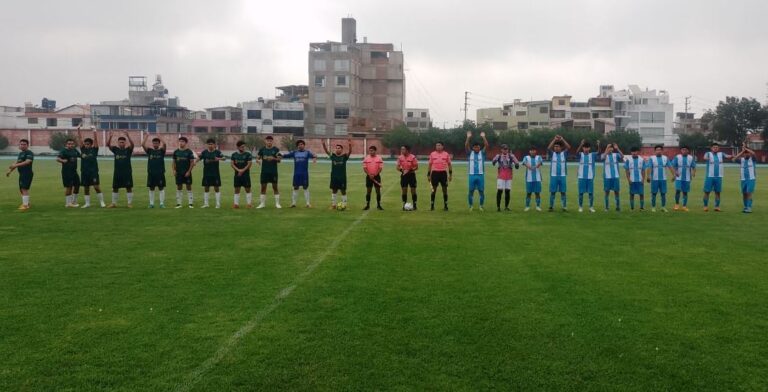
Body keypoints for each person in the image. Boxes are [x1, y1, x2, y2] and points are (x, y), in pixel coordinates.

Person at [282, 140, 317, 208]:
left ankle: (308, 204)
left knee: (305, 187)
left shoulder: (307, 153)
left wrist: (315, 158)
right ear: (297, 146)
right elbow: (287, 155)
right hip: (296, 174)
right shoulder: (295, 153)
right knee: (295, 187)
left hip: (304, 174)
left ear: (304, 145)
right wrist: (281, 155)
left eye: (301, 144)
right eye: (299, 145)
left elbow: (314, 155)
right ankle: (293, 203)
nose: (300, 145)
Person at [77, 126, 106, 208]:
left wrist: (94, 131)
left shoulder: (94, 150)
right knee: (86, 188)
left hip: (93, 172)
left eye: (88, 144)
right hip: (84, 172)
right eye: (85, 144)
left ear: (91, 144)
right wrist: (78, 130)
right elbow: (80, 139)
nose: (86, 145)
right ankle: (87, 203)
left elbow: (96, 140)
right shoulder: (83, 150)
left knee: (96, 187)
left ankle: (102, 202)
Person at [106, 131, 134, 208]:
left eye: (123, 142)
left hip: (127, 172)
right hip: (117, 172)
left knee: (128, 188)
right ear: (118, 143)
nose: (121, 143)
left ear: (125, 143)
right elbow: (107, 145)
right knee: (115, 188)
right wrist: (110, 136)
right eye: (120, 142)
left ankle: (129, 203)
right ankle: (114, 203)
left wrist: (128, 136)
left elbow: (132, 145)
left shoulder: (128, 150)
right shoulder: (115, 149)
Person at [702, 142, 733, 212]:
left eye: (717, 147)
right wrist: (706, 158)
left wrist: (732, 156)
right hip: (709, 176)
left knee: (718, 192)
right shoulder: (708, 153)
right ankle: (705, 206)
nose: (715, 148)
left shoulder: (721, 154)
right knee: (707, 192)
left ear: (718, 148)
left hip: (719, 176)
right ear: (711, 148)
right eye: (714, 147)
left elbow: (727, 156)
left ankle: (717, 206)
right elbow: (704, 157)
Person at [321, 138, 352, 209]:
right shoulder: (333, 156)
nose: (337, 149)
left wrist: (350, 144)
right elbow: (326, 151)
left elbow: (350, 152)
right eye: (337, 148)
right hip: (334, 177)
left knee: (343, 191)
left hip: (342, 177)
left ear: (342, 150)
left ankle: (344, 205)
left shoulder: (344, 157)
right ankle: (333, 205)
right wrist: (323, 144)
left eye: (339, 148)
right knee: (334, 190)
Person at [6, 139, 33, 211]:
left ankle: (25, 206)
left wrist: (15, 165)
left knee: (24, 188)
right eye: (21, 144)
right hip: (22, 174)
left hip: (27, 173)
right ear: (19, 145)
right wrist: (10, 171)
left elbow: (27, 162)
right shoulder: (21, 154)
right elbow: (16, 163)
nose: (22, 145)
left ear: (27, 145)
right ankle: (27, 203)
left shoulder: (29, 153)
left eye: (24, 144)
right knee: (22, 189)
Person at [491, 143, 519, 211]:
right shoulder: (498, 156)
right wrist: (494, 161)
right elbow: (493, 163)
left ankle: (506, 207)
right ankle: (498, 207)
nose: (505, 150)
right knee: (500, 191)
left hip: (509, 176)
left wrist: (516, 164)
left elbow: (517, 165)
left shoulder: (511, 156)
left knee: (507, 191)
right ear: (501, 150)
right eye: (504, 149)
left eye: (506, 149)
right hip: (501, 176)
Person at [646, 145, 674, 212]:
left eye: (660, 150)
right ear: (655, 151)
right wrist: (648, 176)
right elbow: (649, 167)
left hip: (663, 179)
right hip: (654, 179)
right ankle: (653, 207)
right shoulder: (652, 158)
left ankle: (663, 207)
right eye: (657, 150)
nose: (658, 151)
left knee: (663, 193)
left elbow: (670, 166)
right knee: (654, 193)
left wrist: (674, 175)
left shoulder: (665, 158)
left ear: (662, 151)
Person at [465, 131, 489, 211]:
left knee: (481, 191)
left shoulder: (482, 153)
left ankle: (481, 206)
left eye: (478, 147)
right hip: (472, 175)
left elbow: (486, 145)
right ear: (473, 148)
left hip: (480, 175)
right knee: (471, 191)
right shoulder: (470, 153)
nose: (476, 148)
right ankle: (471, 206)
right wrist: (468, 137)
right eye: (475, 147)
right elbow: (466, 145)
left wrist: (483, 137)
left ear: (479, 147)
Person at [256, 135, 282, 209]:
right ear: (265, 141)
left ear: (272, 141)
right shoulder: (262, 149)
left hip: (273, 171)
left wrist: (273, 158)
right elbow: (257, 157)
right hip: (264, 172)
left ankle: (277, 204)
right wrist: (257, 160)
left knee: (275, 187)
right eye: (268, 141)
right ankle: (262, 204)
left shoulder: (276, 149)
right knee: (263, 187)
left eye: (270, 141)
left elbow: (279, 160)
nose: (269, 142)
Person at [547, 135, 571, 211]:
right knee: (552, 192)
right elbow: (548, 148)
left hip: (562, 176)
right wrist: (554, 139)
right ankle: (551, 207)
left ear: (561, 148)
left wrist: (562, 139)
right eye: (555, 147)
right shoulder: (552, 154)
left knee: (563, 192)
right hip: (553, 176)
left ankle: (564, 207)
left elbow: (569, 147)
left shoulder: (564, 154)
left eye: (557, 146)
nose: (556, 148)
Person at [199, 138, 225, 208]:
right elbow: (199, 158)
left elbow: (224, 158)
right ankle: (206, 204)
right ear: (207, 145)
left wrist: (218, 158)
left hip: (215, 173)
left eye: (212, 144)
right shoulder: (204, 152)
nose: (210, 145)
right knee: (206, 188)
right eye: (209, 144)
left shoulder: (218, 152)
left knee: (216, 188)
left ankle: (218, 204)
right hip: (206, 173)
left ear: (214, 145)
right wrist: (195, 161)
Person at [575, 139, 600, 213]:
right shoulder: (581, 154)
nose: (586, 149)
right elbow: (576, 152)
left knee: (590, 193)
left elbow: (598, 152)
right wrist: (580, 144)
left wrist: (598, 144)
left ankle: (591, 207)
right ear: (583, 148)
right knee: (581, 193)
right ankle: (580, 207)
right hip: (581, 177)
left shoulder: (592, 155)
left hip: (590, 177)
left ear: (589, 148)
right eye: (584, 147)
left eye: (587, 147)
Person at [143, 136, 167, 208]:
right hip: (151, 173)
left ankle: (162, 203)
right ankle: (151, 204)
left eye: (157, 143)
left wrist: (160, 137)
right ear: (152, 144)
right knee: (151, 188)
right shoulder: (149, 151)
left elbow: (165, 144)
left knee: (161, 188)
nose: (155, 144)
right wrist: (146, 136)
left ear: (159, 144)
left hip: (160, 173)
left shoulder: (161, 151)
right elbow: (143, 144)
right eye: (154, 143)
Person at [56, 138, 81, 208]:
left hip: (74, 171)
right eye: (69, 144)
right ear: (66, 144)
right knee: (69, 187)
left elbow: (80, 156)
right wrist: (62, 160)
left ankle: (74, 201)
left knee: (77, 185)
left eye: (72, 144)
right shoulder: (63, 151)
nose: (71, 145)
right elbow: (57, 158)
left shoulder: (75, 150)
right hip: (67, 172)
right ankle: (68, 203)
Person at [427, 141, 452, 211]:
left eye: (439, 145)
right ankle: (432, 206)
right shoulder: (432, 154)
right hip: (434, 173)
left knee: (445, 190)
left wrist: (450, 174)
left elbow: (449, 164)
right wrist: (428, 175)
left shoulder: (446, 154)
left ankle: (446, 206)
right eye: (437, 145)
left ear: (442, 146)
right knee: (433, 190)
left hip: (443, 173)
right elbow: (430, 164)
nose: (438, 147)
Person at [172, 136, 196, 208]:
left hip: (187, 173)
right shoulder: (176, 152)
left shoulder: (189, 152)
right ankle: (179, 204)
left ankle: (190, 204)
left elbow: (192, 163)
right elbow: (173, 162)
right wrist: (174, 170)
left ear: (186, 143)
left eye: (182, 141)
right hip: (178, 173)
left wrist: (189, 171)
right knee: (179, 187)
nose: (181, 143)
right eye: (180, 141)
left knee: (188, 186)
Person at [733, 143, 757, 213]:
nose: (747, 154)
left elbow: (754, 153)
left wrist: (745, 148)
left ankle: (749, 207)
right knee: (744, 194)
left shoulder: (752, 159)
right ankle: (745, 206)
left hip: (751, 179)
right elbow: (734, 159)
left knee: (749, 193)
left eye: (748, 153)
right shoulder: (742, 160)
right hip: (743, 179)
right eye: (745, 153)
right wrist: (742, 151)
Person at [671, 145, 696, 212]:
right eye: (683, 149)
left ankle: (684, 206)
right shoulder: (677, 157)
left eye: (685, 149)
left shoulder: (691, 158)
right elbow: (673, 165)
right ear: (681, 150)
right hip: (679, 178)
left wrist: (693, 172)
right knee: (678, 190)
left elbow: (693, 166)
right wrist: (675, 172)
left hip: (687, 178)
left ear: (688, 151)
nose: (684, 151)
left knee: (685, 192)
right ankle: (676, 205)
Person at [230, 140, 254, 209]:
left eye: (244, 147)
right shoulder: (234, 155)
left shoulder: (248, 154)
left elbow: (249, 164)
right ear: (238, 147)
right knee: (237, 189)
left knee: (247, 189)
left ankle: (249, 204)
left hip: (245, 175)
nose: (243, 148)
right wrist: (238, 170)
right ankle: (236, 204)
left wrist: (242, 170)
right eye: (241, 147)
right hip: (237, 175)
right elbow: (232, 164)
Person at [601, 143, 624, 211]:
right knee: (606, 192)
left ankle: (617, 207)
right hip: (607, 177)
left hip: (615, 176)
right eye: (609, 148)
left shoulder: (615, 155)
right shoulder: (604, 154)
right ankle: (607, 207)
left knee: (616, 192)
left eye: (611, 148)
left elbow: (622, 156)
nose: (610, 149)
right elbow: (603, 158)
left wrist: (618, 148)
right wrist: (606, 149)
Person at [624, 147, 647, 211]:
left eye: (635, 151)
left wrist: (643, 179)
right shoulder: (628, 160)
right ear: (631, 152)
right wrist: (629, 180)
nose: (634, 153)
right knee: (632, 194)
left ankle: (641, 208)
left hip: (640, 180)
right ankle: (632, 208)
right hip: (632, 180)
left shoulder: (641, 160)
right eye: (632, 152)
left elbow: (643, 170)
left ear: (638, 152)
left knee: (641, 194)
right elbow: (627, 171)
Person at [396, 144, 418, 210]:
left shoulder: (413, 157)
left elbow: (416, 167)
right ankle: (404, 205)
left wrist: (410, 170)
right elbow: (397, 167)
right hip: (404, 176)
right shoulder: (400, 157)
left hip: (411, 175)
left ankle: (414, 205)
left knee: (413, 190)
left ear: (407, 150)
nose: (402, 150)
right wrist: (401, 170)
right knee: (404, 190)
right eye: (401, 149)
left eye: (403, 149)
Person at [362, 145, 384, 210]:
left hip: (376, 177)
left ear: (375, 151)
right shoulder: (366, 158)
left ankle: (379, 205)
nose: (371, 152)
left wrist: (374, 175)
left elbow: (380, 168)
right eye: (370, 151)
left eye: (372, 151)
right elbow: (365, 168)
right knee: (368, 191)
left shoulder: (379, 158)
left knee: (378, 191)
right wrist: (369, 175)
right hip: (368, 177)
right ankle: (367, 205)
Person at [522, 146, 543, 211]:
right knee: (529, 193)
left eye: (534, 150)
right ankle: (527, 206)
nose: (532, 151)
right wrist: (530, 167)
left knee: (537, 193)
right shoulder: (526, 157)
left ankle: (538, 206)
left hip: (537, 178)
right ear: (529, 151)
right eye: (531, 150)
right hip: (529, 178)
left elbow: (540, 163)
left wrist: (535, 166)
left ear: (535, 151)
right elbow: (524, 163)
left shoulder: (539, 157)